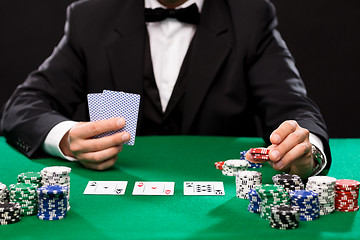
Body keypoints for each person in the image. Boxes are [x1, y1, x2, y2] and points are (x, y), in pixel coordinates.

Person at [0, 0, 331, 178]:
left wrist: (307, 150)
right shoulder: (91, 16)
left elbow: (293, 107)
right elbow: (23, 106)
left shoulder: (252, 15)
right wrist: (67, 138)